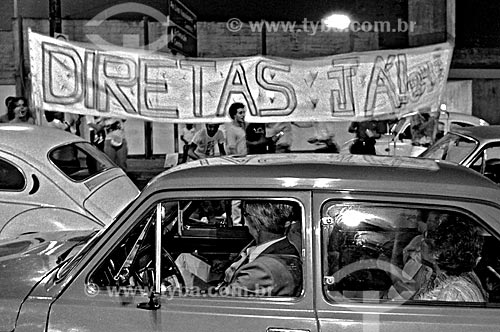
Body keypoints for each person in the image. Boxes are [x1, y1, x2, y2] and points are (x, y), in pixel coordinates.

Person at [220, 200, 302, 296]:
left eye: (245, 214)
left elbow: (219, 302)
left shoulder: (262, 271)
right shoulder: (286, 248)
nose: (245, 222)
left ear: (254, 221)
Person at [412, 215, 487, 302]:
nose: (422, 241)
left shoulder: (452, 293)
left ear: (437, 253)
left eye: (429, 238)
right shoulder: (455, 280)